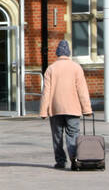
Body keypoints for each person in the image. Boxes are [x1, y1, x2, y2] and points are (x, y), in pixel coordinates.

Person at [39, 39, 92, 169]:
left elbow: (46, 92)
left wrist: (43, 111)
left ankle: (60, 161)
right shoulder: (76, 68)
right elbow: (82, 90)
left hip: (55, 108)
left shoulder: (51, 69)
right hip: (73, 108)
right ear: (68, 53)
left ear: (58, 53)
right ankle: (74, 159)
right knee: (73, 134)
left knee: (57, 136)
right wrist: (87, 109)